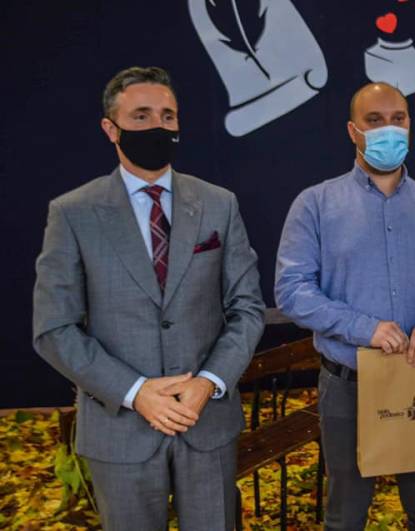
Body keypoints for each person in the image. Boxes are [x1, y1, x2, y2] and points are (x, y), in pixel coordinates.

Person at [32, 66, 265, 530]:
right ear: (111, 128)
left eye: (167, 116)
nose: (158, 126)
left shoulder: (219, 204)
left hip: (207, 422)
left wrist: (208, 382)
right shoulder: (73, 213)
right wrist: (136, 392)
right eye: (141, 116)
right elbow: (54, 329)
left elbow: (247, 308)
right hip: (119, 430)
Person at [275, 82, 415, 530]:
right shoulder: (315, 205)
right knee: (345, 517)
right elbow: (292, 290)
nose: (389, 129)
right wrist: (364, 328)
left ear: (410, 126)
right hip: (348, 386)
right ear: (353, 131)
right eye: (374, 120)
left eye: (398, 119)